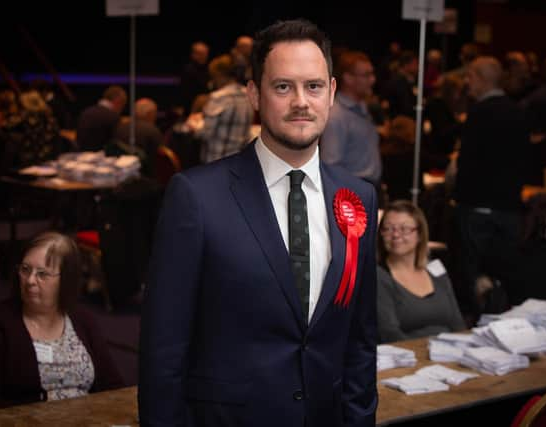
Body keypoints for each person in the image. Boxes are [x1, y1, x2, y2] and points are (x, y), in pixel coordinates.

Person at [139, 19, 378, 427]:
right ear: (254, 94)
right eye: (283, 86)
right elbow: (163, 350)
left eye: (314, 86)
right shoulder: (196, 197)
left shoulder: (358, 199)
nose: (301, 101)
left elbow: (359, 341)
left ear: (332, 92)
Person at [0, 232, 123, 410]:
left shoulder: (83, 320)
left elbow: (113, 387)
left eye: (42, 274)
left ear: (65, 281)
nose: (30, 280)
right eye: (25, 269)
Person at [451, 56, 528, 318]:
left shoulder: (479, 113)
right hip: (509, 207)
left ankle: (479, 322)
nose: (466, 82)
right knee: (505, 272)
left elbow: (467, 161)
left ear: (482, 80)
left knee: (473, 272)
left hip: (477, 205)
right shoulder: (518, 110)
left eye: (470, 77)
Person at [377, 200, 465, 343]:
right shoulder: (378, 277)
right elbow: (389, 334)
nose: (396, 235)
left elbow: (457, 323)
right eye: (388, 228)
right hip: (409, 358)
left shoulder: (436, 270)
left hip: (451, 355)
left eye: (404, 229)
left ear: (419, 234)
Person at [320, 50, 382, 189]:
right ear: (348, 78)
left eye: (372, 74)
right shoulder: (336, 116)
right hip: (351, 193)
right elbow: (330, 166)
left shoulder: (361, 107)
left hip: (368, 187)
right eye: (366, 75)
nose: (372, 80)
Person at [76, 85, 127, 152]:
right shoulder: (113, 116)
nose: (121, 110)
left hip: (80, 155)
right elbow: (116, 144)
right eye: (122, 105)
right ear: (118, 101)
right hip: (102, 158)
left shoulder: (86, 112)